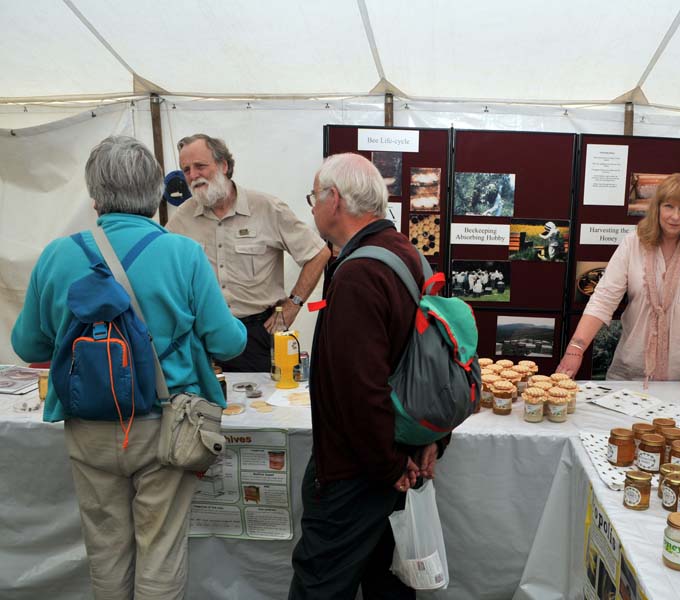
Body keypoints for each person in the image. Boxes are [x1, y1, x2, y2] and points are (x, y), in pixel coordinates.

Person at [11, 136, 247, 599]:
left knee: (106, 552)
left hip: (87, 424)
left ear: (94, 194)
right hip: (165, 425)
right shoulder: (183, 254)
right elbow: (228, 342)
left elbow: (27, 344)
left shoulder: (57, 255)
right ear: (157, 192)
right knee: (159, 551)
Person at [289, 153, 449, 599]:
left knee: (320, 586)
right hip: (397, 463)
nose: (312, 208)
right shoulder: (411, 255)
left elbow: (359, 390)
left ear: (333, 200)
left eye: (313, 198)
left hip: (356, 473)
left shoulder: (358, 273)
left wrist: (389, 465)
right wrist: (426, 443)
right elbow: (432, 366)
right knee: (390, 586)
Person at [166, 134, 331, 372]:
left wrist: (294, 304)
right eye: (186, 170)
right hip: (204, 337)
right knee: (208, 407)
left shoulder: (266, 208)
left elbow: (318, 253)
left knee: (268, 407)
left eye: (201, 166)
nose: (193, 176)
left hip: (259, 336)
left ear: (224, 165)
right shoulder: (180, 219)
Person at [556, 173, 680, 394]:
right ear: (657, 207)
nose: (675, 217)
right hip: (634, 369)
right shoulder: (633, 243)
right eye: (669, 206)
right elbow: (603, 299)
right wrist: (576, 349)